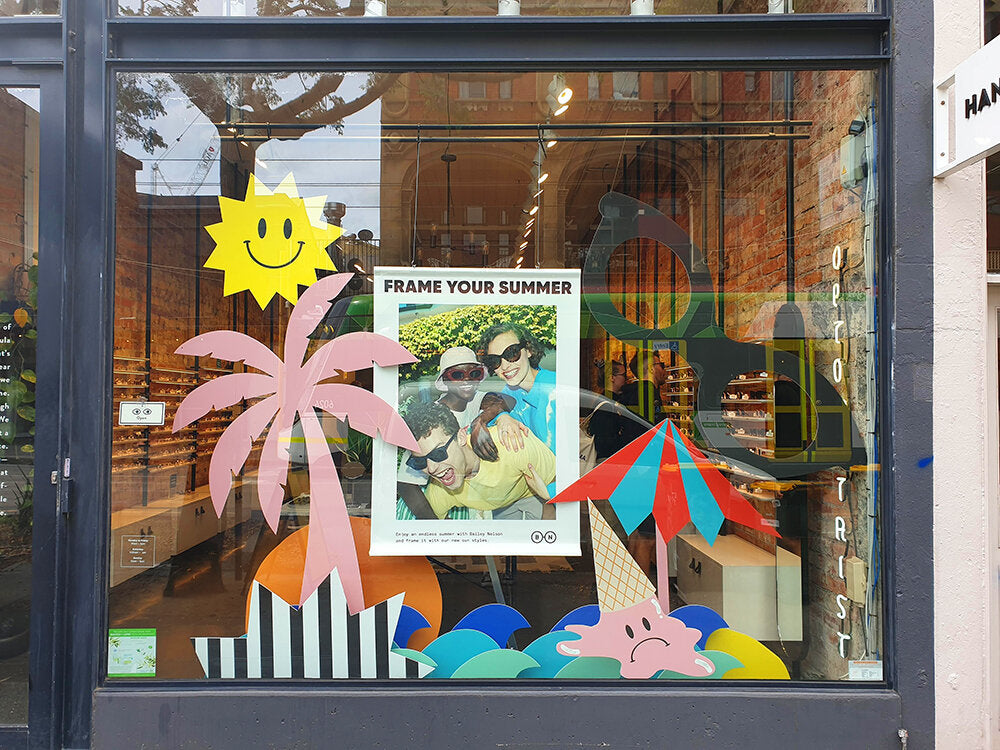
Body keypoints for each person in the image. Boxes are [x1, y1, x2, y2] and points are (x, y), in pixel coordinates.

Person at [397, 346, 529, 518]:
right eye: (457, 375)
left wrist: (480, 422)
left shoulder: (474, 402)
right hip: (424, 508)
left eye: (474, 374)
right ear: (444, 380)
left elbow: (507, 400)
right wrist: (434, 525)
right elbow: (407, 484)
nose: (467, 380)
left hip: (462, 504)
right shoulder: (430, 420)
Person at [401, 401, 556, 521]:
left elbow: (561, 485)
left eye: (438, 453)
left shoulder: (513, 445)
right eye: (419, 462)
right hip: (500, 507)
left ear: (461, 437)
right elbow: (431, 531)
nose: (431, 468)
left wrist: (549, 501)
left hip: (534, 494)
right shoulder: (441, 491)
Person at [478, 322, 557, 454]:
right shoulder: (511, 391)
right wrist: (502, 417)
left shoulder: (553, 388)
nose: (505, 366)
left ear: (529, 350)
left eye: (511, 353)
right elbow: (485, 416)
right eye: (495, 361)